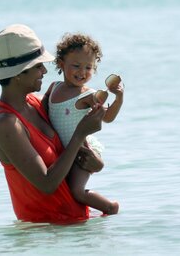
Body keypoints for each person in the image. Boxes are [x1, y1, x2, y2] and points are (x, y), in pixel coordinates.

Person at [0, 24, 106, 224]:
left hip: (74, 227)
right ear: (18, 73)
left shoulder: (36, 103)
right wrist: (80, 134)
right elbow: (47, 183)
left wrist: (95, 163)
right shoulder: (6, 124)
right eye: (37, 66)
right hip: (45, 234)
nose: (44, 70)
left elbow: (66, 153)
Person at [42, 33, 124, 215]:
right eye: (76, 66)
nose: (82, 72)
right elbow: (42, 110)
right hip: (65, 151)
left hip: (82, 152)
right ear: (61, 64)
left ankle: (110, 207)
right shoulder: (53, 88)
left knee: (76, 191)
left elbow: (108, 117)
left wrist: (117, 97)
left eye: (89, 67)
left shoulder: (87, 95)